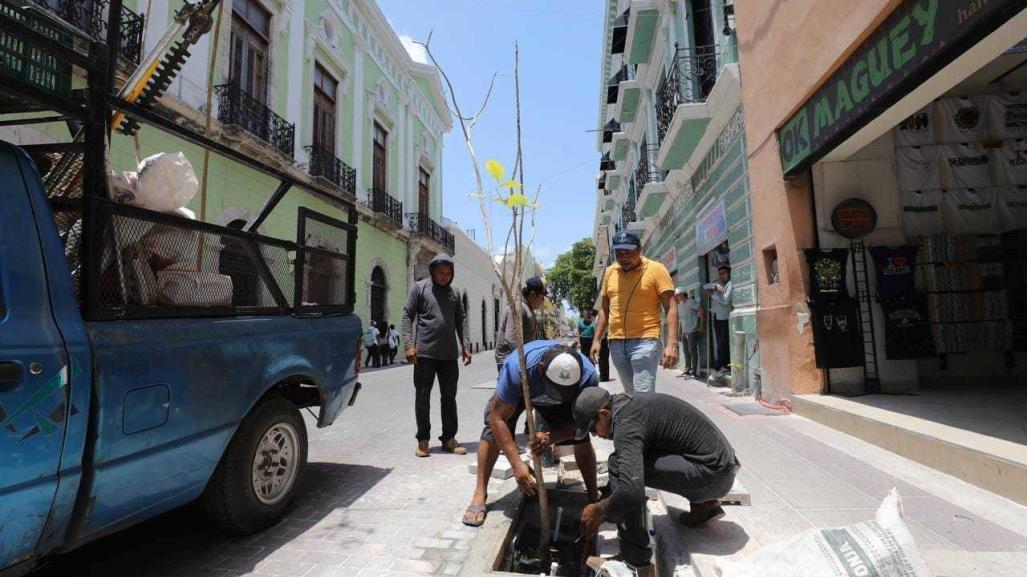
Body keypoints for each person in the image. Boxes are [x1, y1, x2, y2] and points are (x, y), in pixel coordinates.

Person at [574, 388, 739, 577]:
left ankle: (635, 561)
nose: (594, 435)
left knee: (618, 466)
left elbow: (631, 491)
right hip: (722, 467)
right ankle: (705, 505)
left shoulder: (626, 425)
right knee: (629, 465)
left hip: (713, 475)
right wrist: (611, 497)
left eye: (592, 429)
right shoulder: (627, 404)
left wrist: (600, 509)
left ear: (603, 414)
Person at [462, 340, 599, 527]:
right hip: (522, 391)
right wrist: (517, 465)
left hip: (567, 403)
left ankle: (593, 497)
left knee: (581, 439)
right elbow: (497, 418)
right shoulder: (518, 367)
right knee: (492, 432)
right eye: (554, 390)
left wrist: (551, 438)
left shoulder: (588, 376)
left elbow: (579, 426)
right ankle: (480, 493)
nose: (555, 395)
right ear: (542, 372)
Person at [401, 254, 472, 458]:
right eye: (441, 272)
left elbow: (462, 321)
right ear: (432, 271)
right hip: (424, 354)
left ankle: (449, 439)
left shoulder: (455, 293)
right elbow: (407, 314)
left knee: (449, 398)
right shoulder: (419, 288)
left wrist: (465, 346)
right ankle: (423, 440)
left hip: (449, 356)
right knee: (422, 397)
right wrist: (408, 344)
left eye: (449, 273)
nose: (445, 276)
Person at [591, 230, 678, 393]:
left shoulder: (656, 269)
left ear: (639, 250)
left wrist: (671, 344)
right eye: (619, 252)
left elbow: (671, 307)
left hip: (645, 342)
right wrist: (597, 339)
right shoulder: (610, 271)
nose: (623, 257)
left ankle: (647, 418)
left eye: (628, 252)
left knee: (642, 398)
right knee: (631, 396)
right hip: (616, 343)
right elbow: (605, 309)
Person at [494, 276, 548, 372]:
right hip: (509, 359)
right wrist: (528, 358)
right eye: (542, 296)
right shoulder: (518, 307)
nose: (543, 301)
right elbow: (511, 338)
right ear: (533, 295)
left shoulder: (529, 308)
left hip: (520, 358)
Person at [706, 265, 733, 376]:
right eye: (720, 274)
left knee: (723, 343)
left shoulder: (730, 284)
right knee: (720, 343)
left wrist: (714, 295)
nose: (721, 276)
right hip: (717, 317)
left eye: (723, 273)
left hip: (724, 318)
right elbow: (718, 302)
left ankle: (719, 367)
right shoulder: (721, 286)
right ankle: (724, 366)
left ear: (728, 273)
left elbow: (726, 301)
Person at [675, 288, 704, 377]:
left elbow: (701, 311)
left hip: (692, 330)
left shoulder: (691, 302)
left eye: (677, 295)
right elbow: (680, 319)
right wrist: (679, 332)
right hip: (684, 331)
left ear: (683, 294)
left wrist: (701, 326)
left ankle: (694, 371)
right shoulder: (679, 305)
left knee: (692, 351)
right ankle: (687, 369)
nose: (676, 297)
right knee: (686, 351)